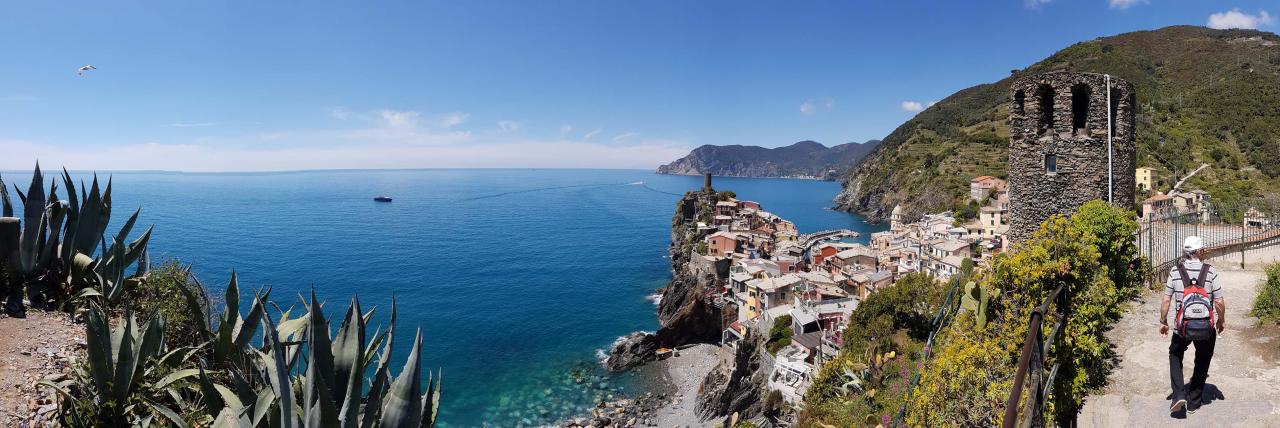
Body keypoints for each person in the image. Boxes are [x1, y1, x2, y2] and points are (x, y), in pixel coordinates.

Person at [1159, 236, 1226, 414]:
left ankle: (1179, 394)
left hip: (1182, 326)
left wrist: (1163, 321)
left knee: (1175, 354)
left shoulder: (1175, 271)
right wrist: (1221, 320)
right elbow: (1219, 302)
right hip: (1205, 326)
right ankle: (1195, 402)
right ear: (1198, 252)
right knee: (1203, 358)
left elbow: (1166, 300)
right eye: (1202, 249)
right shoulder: (1210, 271)